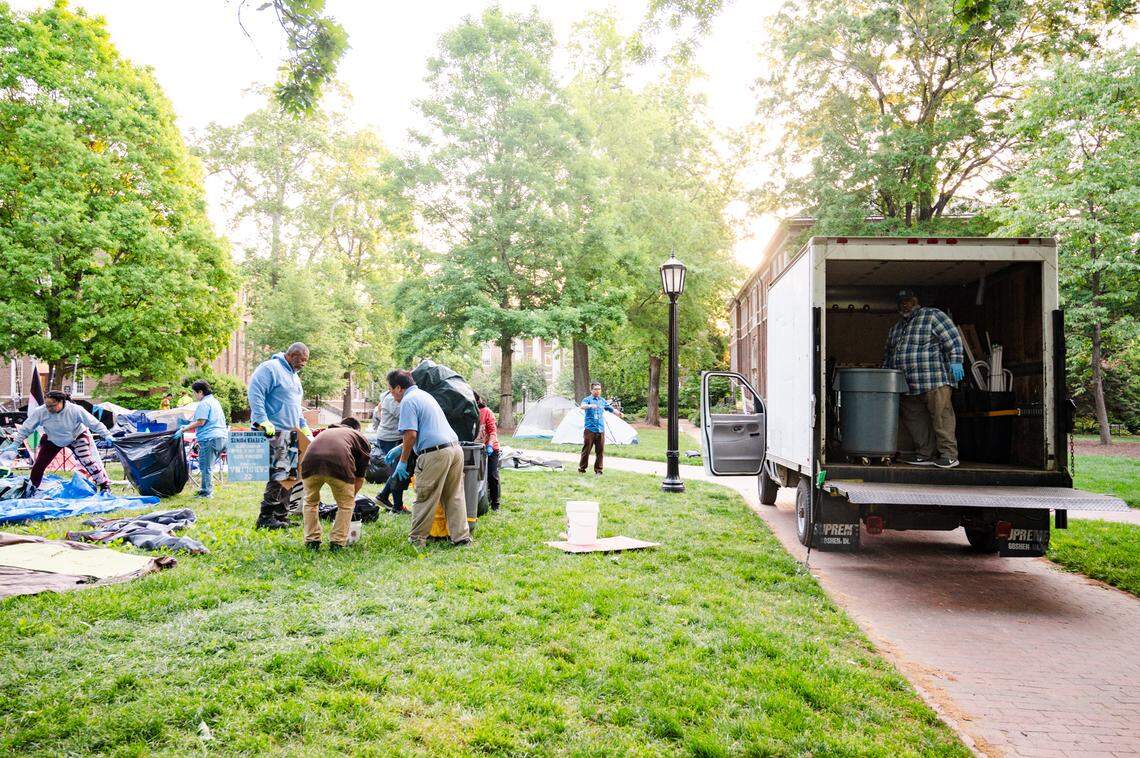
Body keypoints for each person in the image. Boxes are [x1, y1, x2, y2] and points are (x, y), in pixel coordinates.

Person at [383, 370, 470, 548]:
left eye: (391, 390)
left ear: (399, 388)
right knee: (454, 496)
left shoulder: (407, 401)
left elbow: (411, 434)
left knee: (425, 495)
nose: (391, 395)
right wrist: (399, 448)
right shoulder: (424, 395)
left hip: (435, 454)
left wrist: (403, 460)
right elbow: (426, 429)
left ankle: (416, 540)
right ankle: (461, 538)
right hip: (454, 449)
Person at [882, 289, 965, 469]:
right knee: (915, 420)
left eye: (909, 300)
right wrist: (885, 378)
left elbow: (953, 339)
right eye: (901, 302)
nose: (905, 304)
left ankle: (949, 455)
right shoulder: (896, 329)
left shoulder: (933, 316)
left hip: (934, 380)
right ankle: (925, 453)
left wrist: (957, 361)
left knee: (941, 417)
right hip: (908, 385)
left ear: (917, 301)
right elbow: (888, 355)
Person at [247, 342, 314, 529]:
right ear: (292, 355)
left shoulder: (294, 377)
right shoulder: (270, 369)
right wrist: (262, 420)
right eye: (302, 360)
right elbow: (255, 393)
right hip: (273, 429)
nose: (303, 364)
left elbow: (295, 405)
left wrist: (303, 425)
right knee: (279, 475)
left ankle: (281, 515)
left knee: (291, 477)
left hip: (291, 431)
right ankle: (266, 517)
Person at [2, 390, 113, 493]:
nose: (49, 409)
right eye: (47, 405)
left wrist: (107, 435)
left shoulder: (75, 409)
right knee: (39, 465)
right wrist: (15, 444)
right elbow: (26, 428)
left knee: (88, 461)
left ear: (61, 402)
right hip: (52, 439)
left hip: (76, 437)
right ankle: (32, 488)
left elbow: (94, 423)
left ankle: (104, 485)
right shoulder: (40, 411)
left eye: (52, 406)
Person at [300, 417, 370, 551]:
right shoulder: (359, 436)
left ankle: (311, 541)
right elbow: (360, 477)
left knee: (310, 502)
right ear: (357, 429)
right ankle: (337, 543)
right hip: (338, 464)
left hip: (309, 464)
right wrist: (350, 497)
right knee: (346, 506)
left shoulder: (326, 432)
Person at [175, 380, 228, 499]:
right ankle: (206, 489)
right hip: (221, 437)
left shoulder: (204, 403)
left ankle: (206, 492)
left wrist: (184, 429)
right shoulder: (215, 401)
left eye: (194, 393)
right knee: (209, 466)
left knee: (205, 466)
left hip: (209, 438)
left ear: (200, 392)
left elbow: (201, 421)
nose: (194, 395)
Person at [372, 389, 409, 512]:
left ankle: (383, 496)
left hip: (392, 437)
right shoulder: (390, 399)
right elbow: (403, 415)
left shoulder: (389, 397)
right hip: (390, 439)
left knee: (397, 470)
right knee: (397, 471)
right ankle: (397, 506)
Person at [579, 381, 624, 476]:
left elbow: (611, 409)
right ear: (591, 390)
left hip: (600, 429)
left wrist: (619, 413)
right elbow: (582, 406)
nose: (598, 391)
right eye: (595, 389)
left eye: (599, 389)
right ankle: (582, 469)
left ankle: (598, 470)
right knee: (586, 450)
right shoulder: (587, 399)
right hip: (590, 429)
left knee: (600, 451)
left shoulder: (602, 400)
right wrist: (590, 406)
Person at [473, 391, 500, 511]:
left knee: (491, 475)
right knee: (476, 476)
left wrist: (489, 445)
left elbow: (493, 432)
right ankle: (479, 501)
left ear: (477, 401)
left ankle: (495, 503)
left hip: (491, 449)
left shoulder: (487, 412)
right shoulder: (468, 413)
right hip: (475, 449)